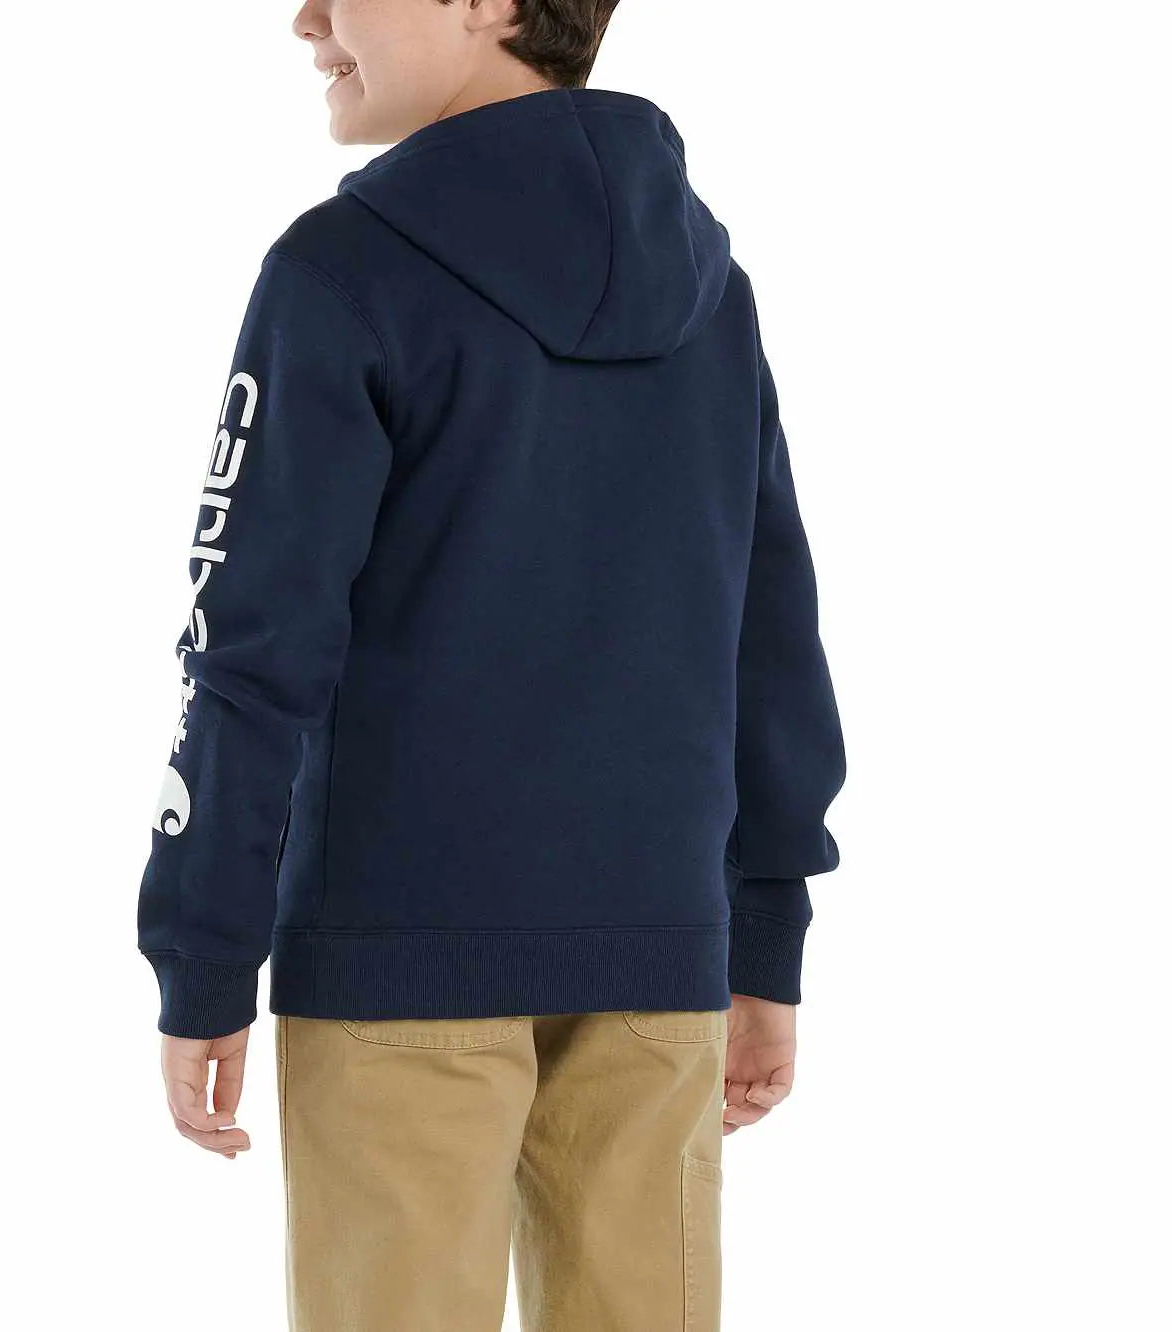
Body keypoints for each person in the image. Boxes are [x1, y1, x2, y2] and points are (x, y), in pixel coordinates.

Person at [135, 1, 846, 1327]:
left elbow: (250, 647)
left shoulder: (341, 272)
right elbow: (769, 627)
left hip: (397, 955)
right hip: (659, 955)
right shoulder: (712, 289)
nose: (305, 18)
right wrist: (764, 932)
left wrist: (206, 949)